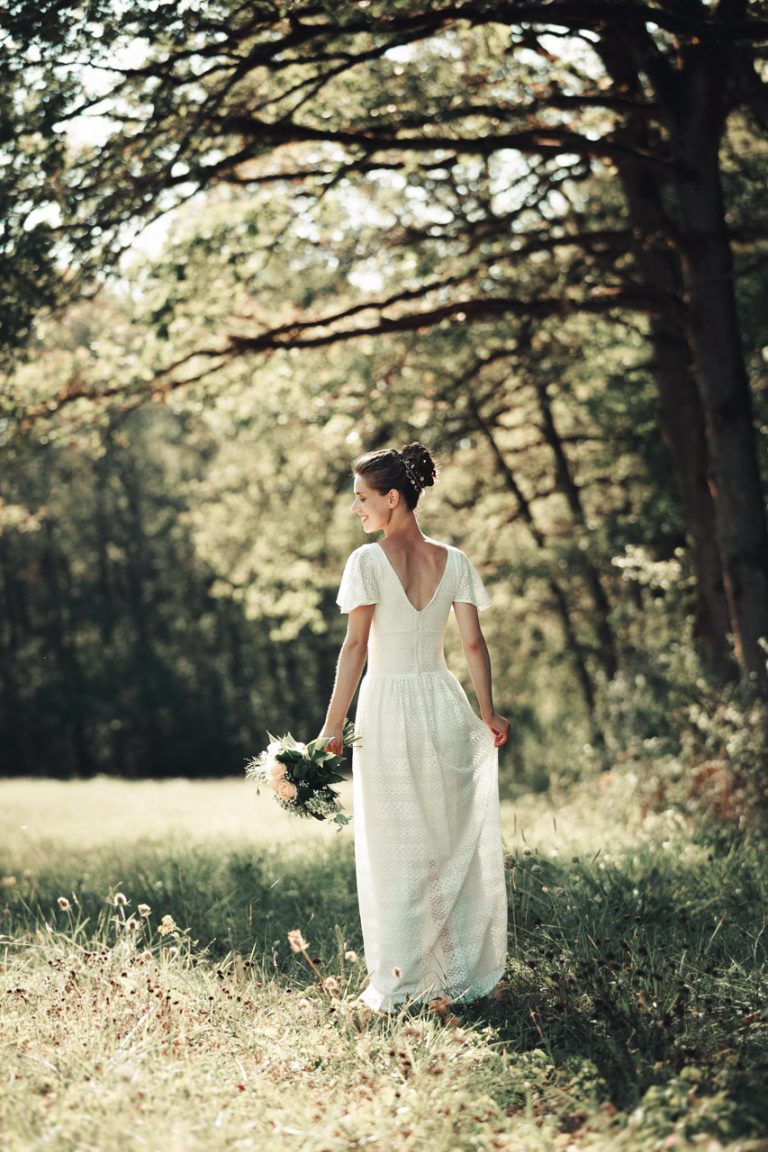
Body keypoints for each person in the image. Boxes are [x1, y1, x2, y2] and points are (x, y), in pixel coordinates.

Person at [319, 442, 509, 1012]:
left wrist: (332, 725)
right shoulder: (453, 560)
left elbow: (355, 647)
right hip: (442, 699)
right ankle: (452, 972)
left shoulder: (368, 561)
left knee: (394, 842)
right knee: (442, 838)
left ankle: (402, 978)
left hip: (387, 707)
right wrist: (488, 711)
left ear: (392, 499)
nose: (357, 509)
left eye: (362, 498)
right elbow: (473, 643)